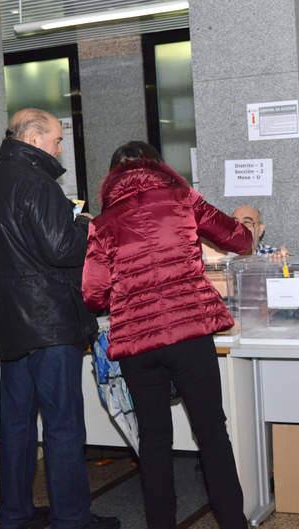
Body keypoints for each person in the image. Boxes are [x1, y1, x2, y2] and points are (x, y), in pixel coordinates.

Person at [82, 141, 253, 529]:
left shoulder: (103, 224)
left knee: (154, 439)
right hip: (190, 331)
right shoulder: (182, 199)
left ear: (112, 177)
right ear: (157, 166)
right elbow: (240, 241)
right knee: (211, 431)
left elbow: (93, 296)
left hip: (138, 343)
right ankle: (232, 522)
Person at [0, 108, 118, 529]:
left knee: (15, 424)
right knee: (63, 425)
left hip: (11, 324)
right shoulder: (37, 184)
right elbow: (62, 249)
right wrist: (86, 227)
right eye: (56, 139)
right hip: (50, 323)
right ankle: (72, 518)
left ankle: (14, 513)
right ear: (34, 139)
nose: (60, 147)